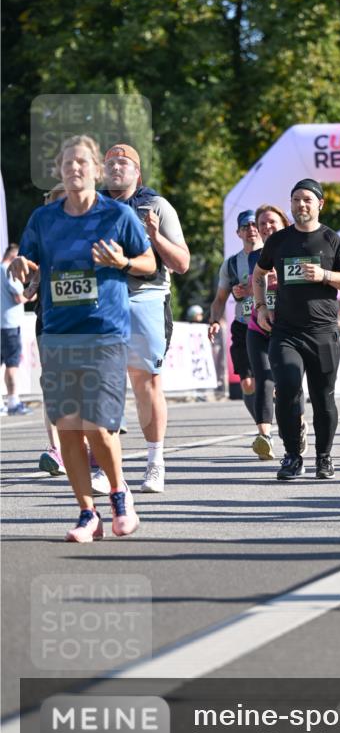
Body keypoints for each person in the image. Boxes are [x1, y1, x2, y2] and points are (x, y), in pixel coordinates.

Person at [11, 134, 155, 542]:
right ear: (60, 170)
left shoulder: (118, 216)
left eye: (81, 162)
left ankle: (119, 492)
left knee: (98, 425)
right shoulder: (45, 219)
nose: (74, 169)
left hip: (104, 333)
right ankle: (86, 512)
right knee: (69, 426)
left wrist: (123, 261)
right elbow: (32, 260)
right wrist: (24, 264)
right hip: (58, 333)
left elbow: (148, 262)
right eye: (67, 163)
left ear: (95, 168)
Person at [93, 143, 190, 495]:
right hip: (102, 301)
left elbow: (182, 264)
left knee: (146, 384)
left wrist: (154, 236)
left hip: (146, 297)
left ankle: (154, 463)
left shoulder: (157, 205)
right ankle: (104, 466)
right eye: (110, 163)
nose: (116, 167)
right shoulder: (92, 206)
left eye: (124, 162)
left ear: (137, 172)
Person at [252, 178, 340, 480]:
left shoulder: (331, 240)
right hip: (286, 332)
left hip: (323, 331)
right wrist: (261, 308)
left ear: (320, 204)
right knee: (286, 389)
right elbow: (258, 274)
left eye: (307, 200)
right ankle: (292, 456)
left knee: (323, 396)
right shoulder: (278, 241)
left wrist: (325, 274)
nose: (301, 204)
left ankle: (324, 457)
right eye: (296, 199)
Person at [245, 203, 307, 461]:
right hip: (258, 326)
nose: (266, 227)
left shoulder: (298, 250)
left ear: (283, 223)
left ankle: (299, 425)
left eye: (272, 223)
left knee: (290, 384)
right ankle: (265, 437)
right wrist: (247, 290)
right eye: (262, 224)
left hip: (290, 327)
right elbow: (254, 284)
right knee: (264, 379)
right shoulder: (254, 256)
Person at [23, 183, 69, 473]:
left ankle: (85, 444)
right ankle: (56, 450)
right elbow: (30, 288)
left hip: (85, 321)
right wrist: (32, 280)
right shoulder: (43, 235)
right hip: (50, 319)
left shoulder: (94, 230)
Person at [209, 209, 261, 424]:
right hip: (243, 325)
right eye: (245, 227)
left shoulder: (272, 256)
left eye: (254, 225)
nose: (250, 230)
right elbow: (220, 299)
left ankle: (285, 420)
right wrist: (213, 320)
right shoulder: (230, 264)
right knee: (248, 385)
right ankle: (263, 426)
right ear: (238, 233)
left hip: (271, 325)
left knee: (273, 383)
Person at [1, 244, 31, 416]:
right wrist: (33, 293)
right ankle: (13, 402)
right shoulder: (8, 270)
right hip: (10, 324)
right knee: (12, 364)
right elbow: (19, 297)